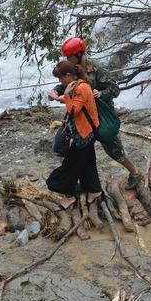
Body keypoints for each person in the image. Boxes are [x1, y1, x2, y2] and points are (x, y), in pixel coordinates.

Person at [51, 36, 144, 190]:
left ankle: (134, 173)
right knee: (81, 153)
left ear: (79, 54)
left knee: (114, 150)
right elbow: (66, 82)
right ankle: (84, 184)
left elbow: (114, 89)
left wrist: (100, 93)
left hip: (101, 117)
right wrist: (55, 90)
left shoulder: (97, 68)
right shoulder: (72, 68)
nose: (68, 59)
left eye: (70, 56)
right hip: (83, 118)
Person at [47, 61, 102, 210]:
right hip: (86, 131)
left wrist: (65, 95)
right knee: (88, 162)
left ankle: (69, 195)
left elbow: (73, 110)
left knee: (70, 165)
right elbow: (74, 101)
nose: (60, 82)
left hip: (84, 134)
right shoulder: (77, 85)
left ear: (69, 75)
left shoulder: (82, 87)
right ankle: (94, 190)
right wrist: (59, 97)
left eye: (61, 78)